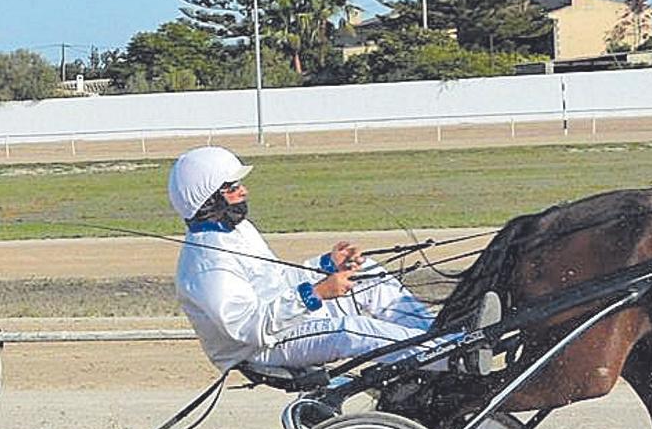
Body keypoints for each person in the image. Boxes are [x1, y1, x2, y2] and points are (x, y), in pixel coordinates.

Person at [168, 146, 496, 377]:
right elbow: (248, 328)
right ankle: (452, 357)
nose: (244, 190)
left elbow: (273, 280)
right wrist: (317, 293)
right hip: (261, 348)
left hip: (284, 325)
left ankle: (439, 340)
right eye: (232, 187)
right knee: (348, 330)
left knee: (366, 275)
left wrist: (326, 264)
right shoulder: (206, 262)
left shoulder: (236, 230)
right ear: (209, 196)